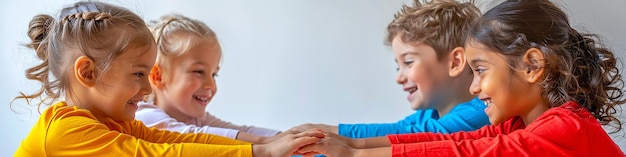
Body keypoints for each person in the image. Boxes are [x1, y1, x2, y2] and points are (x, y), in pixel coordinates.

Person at [298, 0, 625, 156]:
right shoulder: (515, 125)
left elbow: (471, 153)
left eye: (480, 70)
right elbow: (456, 142)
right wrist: (353, 145)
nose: (473, 87)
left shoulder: (568, 126)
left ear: (531, 66)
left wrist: (355, 153)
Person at [13, 1, 322, 156]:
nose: (148, 87)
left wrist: (265, 144)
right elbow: (162, 154)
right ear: (88, 73)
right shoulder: (67, 130)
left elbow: (177, 139)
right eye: (138, 74)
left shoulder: (112, 122)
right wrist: (260, 151)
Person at [293, 0, 489, 138]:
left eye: (408, 62)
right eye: (398, 66)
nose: (399, 78)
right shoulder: (429, 113)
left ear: (455, 63)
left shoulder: (481, 113)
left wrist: (325, 131)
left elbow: (406, 136)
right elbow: (396, 128)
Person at [135, 13, 287, 144]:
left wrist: (289, 135)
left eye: (214, 74)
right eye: (199, 72)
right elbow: (195, 137)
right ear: (158, 76)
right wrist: (266, 143)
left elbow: (240, 131)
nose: (211, 85)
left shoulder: (196, 118)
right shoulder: (142, 115)